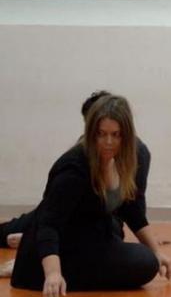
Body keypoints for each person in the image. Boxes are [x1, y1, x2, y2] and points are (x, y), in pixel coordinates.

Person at [7, 95, 171, 297]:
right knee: (144, 262)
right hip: (62, 251)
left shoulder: (124, 160)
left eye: (116, 135)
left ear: (126, 136)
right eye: (101, 134)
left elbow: (131, 209)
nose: (108, 142)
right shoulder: (74, 168)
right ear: (91, 133)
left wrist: (157, 252)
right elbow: (48, 224)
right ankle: (40, 265)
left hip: (91, 241)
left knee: (148, 258)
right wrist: (53, 274)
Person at [0, 90, 151, 250]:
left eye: (114, 134)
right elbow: (55, 207)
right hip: (69, 212)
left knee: (108, 233)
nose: (107, 140)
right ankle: (35, 241)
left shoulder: (137, 153)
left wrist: (149, 242)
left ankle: (36, 241)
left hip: (102, 223)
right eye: (98, 132)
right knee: (34, 222)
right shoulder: (81, 151)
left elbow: (134, 201)